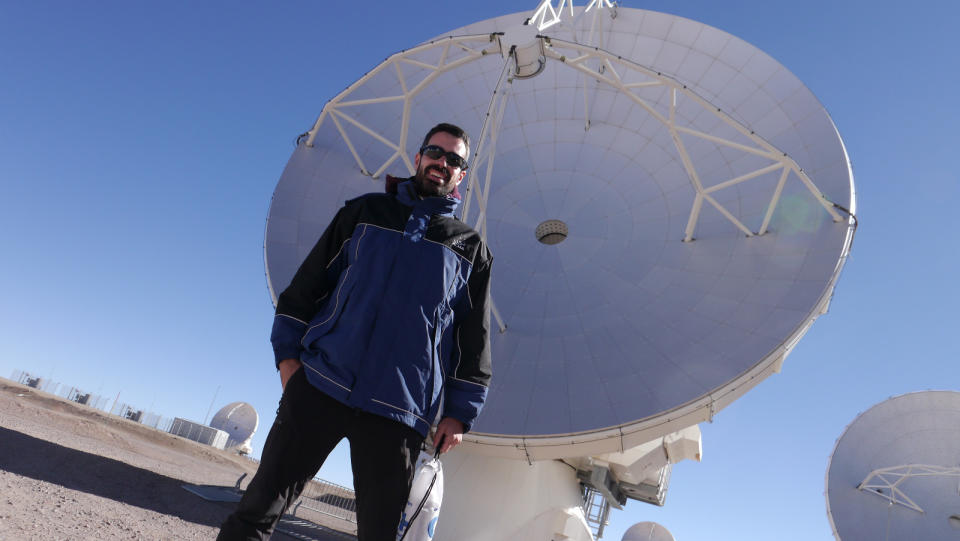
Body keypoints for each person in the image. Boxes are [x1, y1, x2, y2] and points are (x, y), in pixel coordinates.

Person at [217, 123, 493, 541]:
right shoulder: (363, 213)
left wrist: (458, 413)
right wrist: (290, 364)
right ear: (417, 159)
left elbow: (472, 341)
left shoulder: (470, 250)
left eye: (454, 159)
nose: (442, 163)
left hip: (399, 410)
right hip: (322, 384)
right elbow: (304, 291)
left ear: (462, 175)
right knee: (256, 512)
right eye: (434, 153)